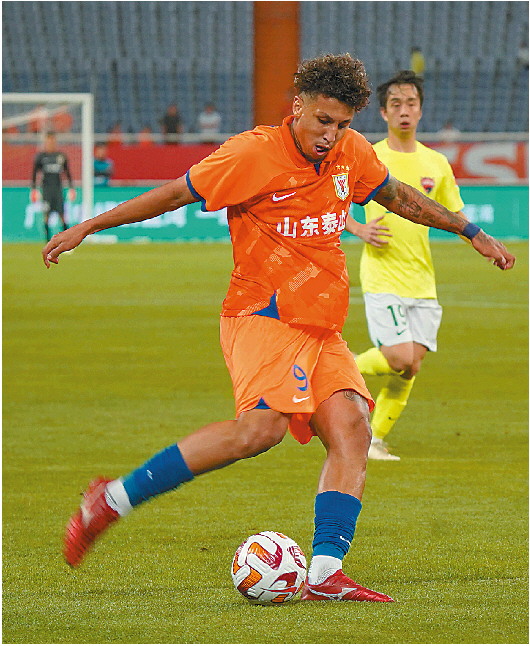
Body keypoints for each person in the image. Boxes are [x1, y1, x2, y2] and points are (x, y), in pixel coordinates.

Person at [43, 54, 514, 602]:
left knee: (352, 427)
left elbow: (397, 196)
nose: (330, 135)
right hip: (262, 312)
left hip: (320, 322)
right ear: (298, 108)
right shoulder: (251, 154)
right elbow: (174, 193)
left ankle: (325, 573)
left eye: (342, 124)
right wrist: (89, 225)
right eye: (322, 120)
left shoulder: (351, 151)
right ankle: (111, 500)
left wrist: (469, 230)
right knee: (259, 432)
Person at [346, 70, 470, 461]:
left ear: (420, 110)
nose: (404, 111)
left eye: (411, 103)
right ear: (384, 113)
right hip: (382, 274)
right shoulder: (371, 156)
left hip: (422, 279)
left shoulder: (437, 162)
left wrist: (483, 243)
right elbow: (334, 200)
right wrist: (359, 229)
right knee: (398, 356)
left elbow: (455, 215)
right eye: (396, 104)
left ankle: (374, 440)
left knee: (410, 366)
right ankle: (335, 369)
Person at [31, 132, 75, 242]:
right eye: (48, 141)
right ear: (45, 142)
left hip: (58, 189)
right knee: (46, 216)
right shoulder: (41, 157)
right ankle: (48, 242)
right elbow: (34, 173)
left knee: (62, 216)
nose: (50, 143)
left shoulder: (60, 156)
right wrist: (34, 190)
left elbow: (67, 172)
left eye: (52, 141)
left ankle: (66, 242)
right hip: (46, 190)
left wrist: (71, 188)